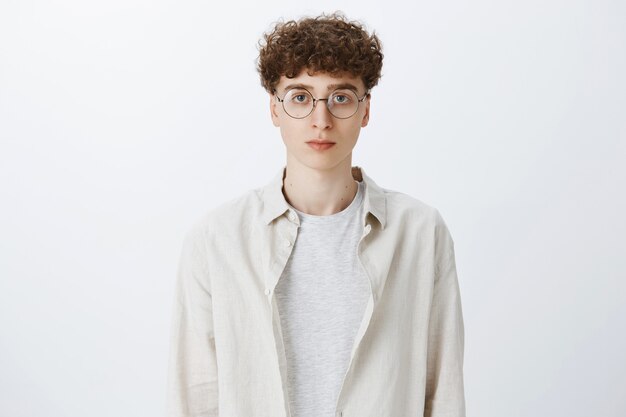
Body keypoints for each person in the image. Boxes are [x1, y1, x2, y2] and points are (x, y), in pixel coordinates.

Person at [167, 11, 466, 417]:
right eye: (300, 97)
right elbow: (194, 395)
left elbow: (442, 391)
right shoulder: (216, 239)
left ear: (365, 110)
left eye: (340, 97)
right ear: (275, 109)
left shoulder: (420, 232)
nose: (320, 120)